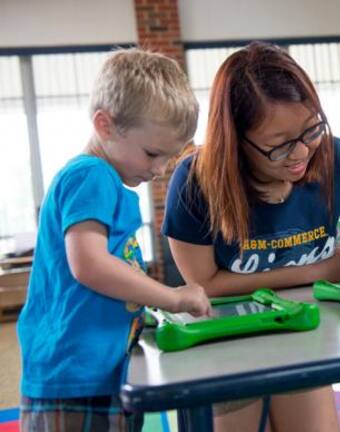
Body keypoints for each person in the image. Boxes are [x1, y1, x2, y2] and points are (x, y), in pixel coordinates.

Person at [162, 41, 340, 431]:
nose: (300, 153)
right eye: (278, 145)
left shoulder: (332, 157)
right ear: (235, 139)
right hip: (224, 344)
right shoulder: (196, 179)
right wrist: (315, 272)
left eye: (311, 129)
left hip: (301, 336)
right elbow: (205, 285)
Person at [17, 49, 212, 432]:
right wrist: (171, 297)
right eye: (152, 154)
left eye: (169, 159)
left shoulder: (103, 180)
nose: (159, 170)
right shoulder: (92, 175)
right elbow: (89, 264)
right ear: (105, 125)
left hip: (99, 370)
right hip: (75, 377)